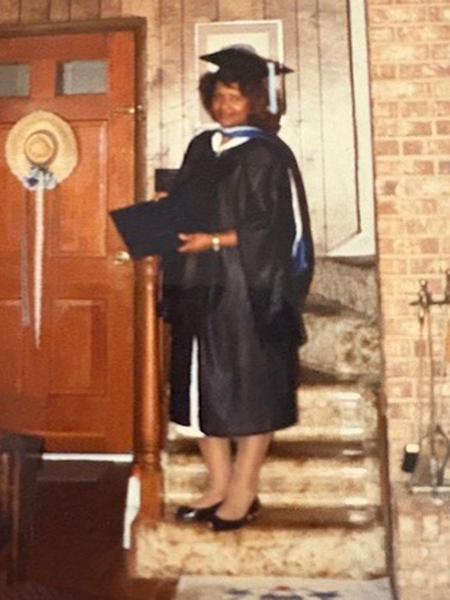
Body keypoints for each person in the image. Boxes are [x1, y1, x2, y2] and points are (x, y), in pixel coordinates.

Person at [159, 45, 314, 532]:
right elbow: (188, 208)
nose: (226, 106)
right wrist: (168, 208)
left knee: (249, 389)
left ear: (256, 102)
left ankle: (244, 491)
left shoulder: (268, 154)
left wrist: (219, 240)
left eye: (236, 97)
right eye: (219, 96)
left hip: (246, 289)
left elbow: (276, 228)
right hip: (197, 285)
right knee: (196, 390)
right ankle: (217, 484)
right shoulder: (201, 147)